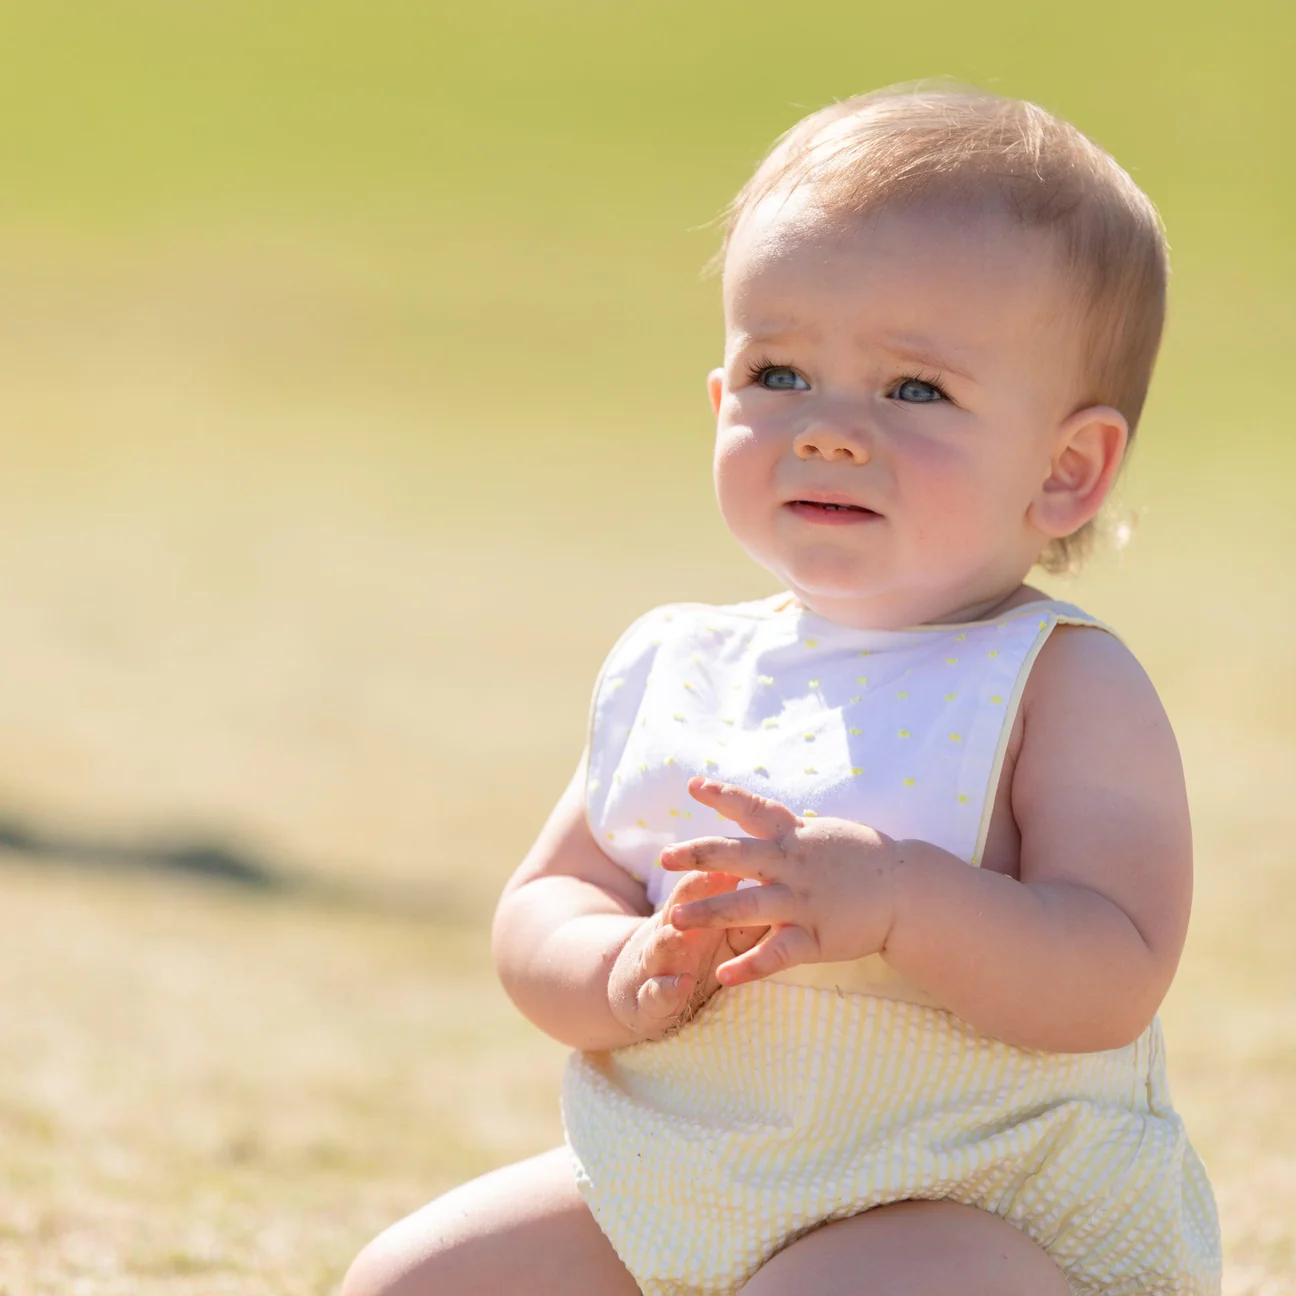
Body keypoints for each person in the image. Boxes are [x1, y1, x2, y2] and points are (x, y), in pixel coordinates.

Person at [341, 84, 1222, 1296]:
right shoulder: (680, 660)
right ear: (720, 399)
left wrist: (904, 902)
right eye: (781, 372)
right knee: (413, 1279)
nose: (830, 429)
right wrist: (616, 964)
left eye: (914, 390)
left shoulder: (1055, 681)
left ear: (1067, 469)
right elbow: (548, 897)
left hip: (971, 1208)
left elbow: (1114, 966)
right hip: (679, 1181)